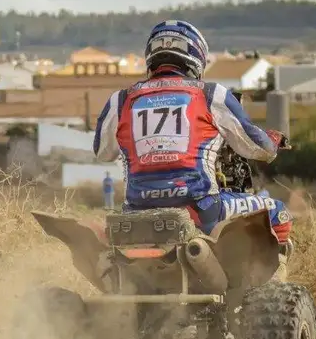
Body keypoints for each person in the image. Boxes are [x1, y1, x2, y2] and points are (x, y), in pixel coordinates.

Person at [92, 19, 292, 243]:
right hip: (201, 210)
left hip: (137, 210)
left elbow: (102, 153)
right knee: (278, 211)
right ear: (196, 56)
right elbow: (258, 148)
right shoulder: (211, 94)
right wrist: (273, 141)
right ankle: (274, 279)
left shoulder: (119, 100)